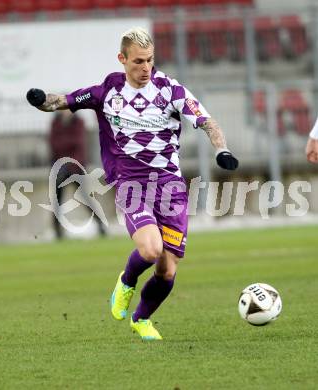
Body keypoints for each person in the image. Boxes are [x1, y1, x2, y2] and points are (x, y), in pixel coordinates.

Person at [26, 27, 238, 340]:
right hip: (131, 182)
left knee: (167, 271)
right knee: (151, 249)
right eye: (138, 61)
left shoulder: (170, 89)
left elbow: (206, 121)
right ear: (122, 59)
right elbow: (63, 102)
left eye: (149, 60)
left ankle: (141, 319)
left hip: (169, 186)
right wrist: (41, 100)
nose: (145, 68)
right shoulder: (108, 90)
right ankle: (126, 281)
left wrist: (222, 150)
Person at [49, 109, 106, 238]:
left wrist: (71, 165)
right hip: (60, 168)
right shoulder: (55, 122)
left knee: (87, 199)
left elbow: (78, 144)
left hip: (76, 168)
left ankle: (100, 225)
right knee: (57, 202)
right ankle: (58, 232)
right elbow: (54, 144)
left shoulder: (78, 122)